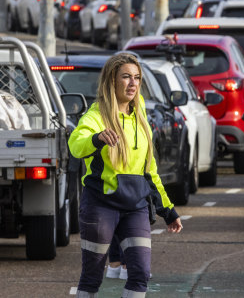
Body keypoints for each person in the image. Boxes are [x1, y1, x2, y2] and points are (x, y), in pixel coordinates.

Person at [69, 53, 182, 298]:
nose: (133, 83)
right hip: (101, 205)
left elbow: (149, 171)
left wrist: (168, 210)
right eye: (126, 77)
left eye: (137, 78)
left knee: (140, 273)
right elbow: (75, 145)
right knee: (92, 277)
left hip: (135, 207)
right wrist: (96, 139)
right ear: (112, 80)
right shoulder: (96, 115)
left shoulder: (140, 117)